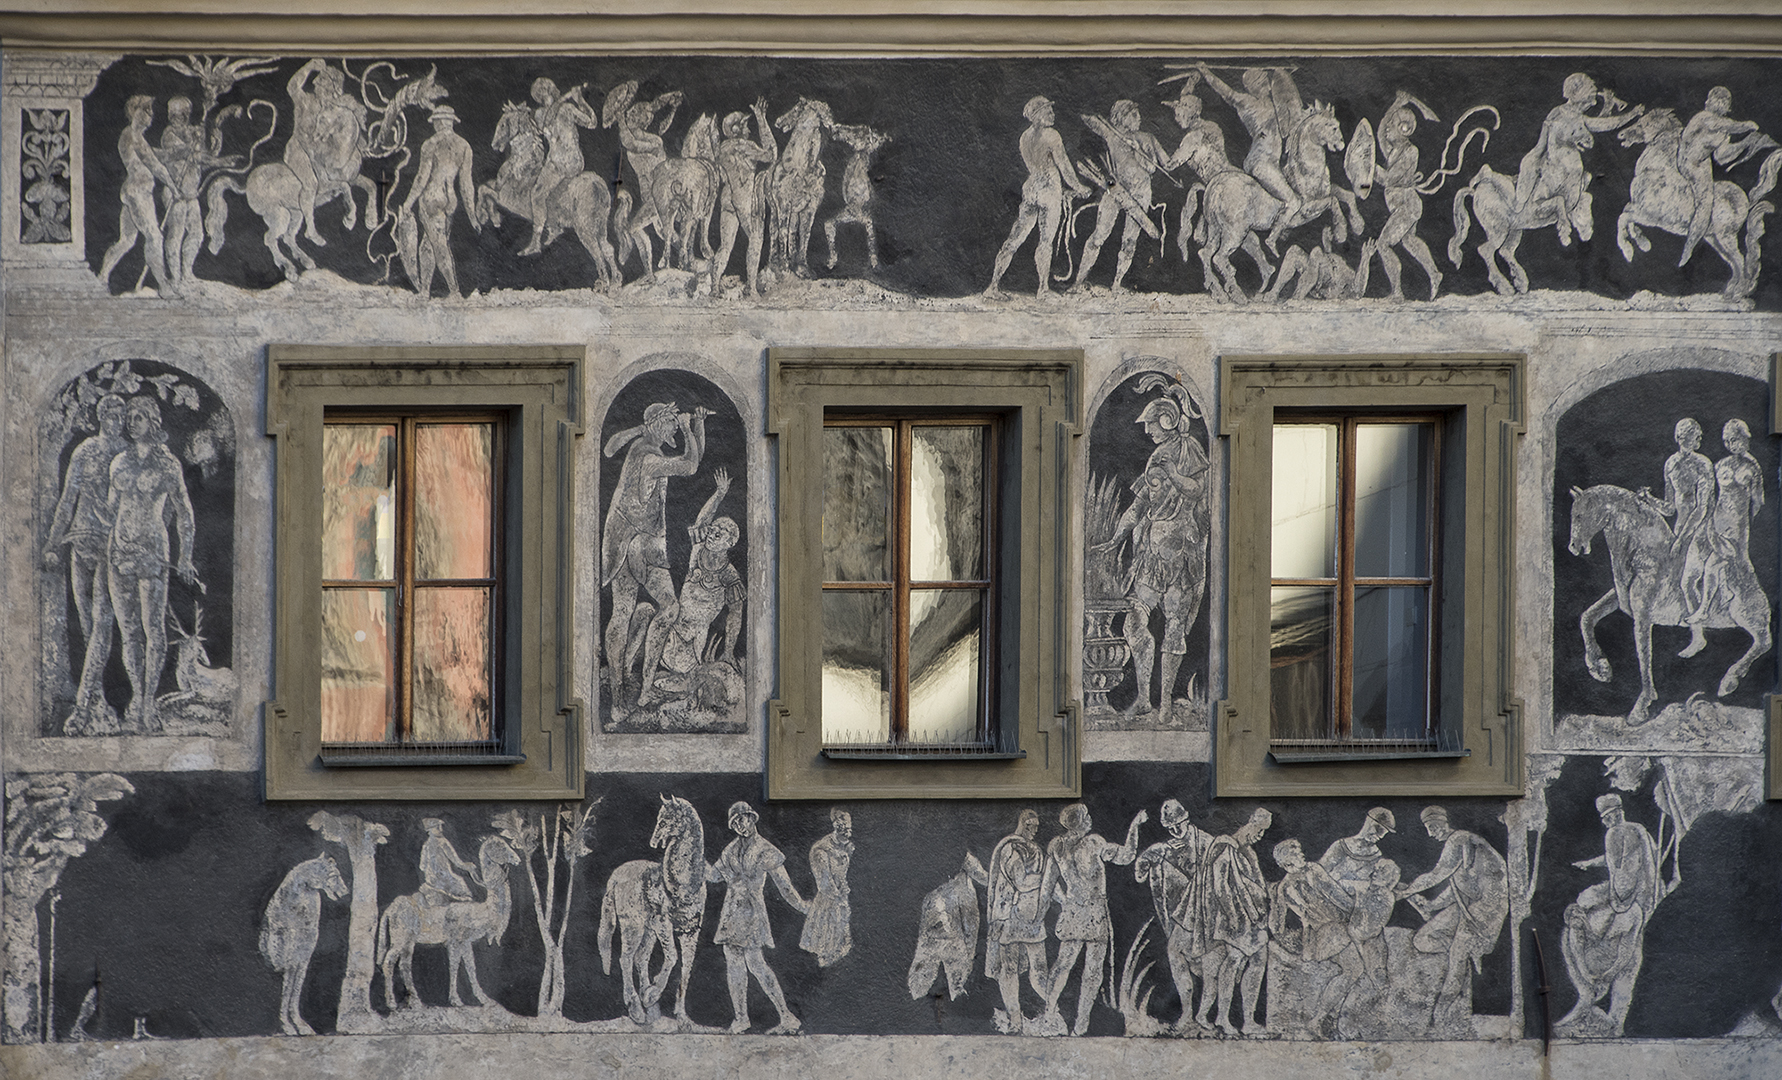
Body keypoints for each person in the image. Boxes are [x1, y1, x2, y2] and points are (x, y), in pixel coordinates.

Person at [1090, 384, 1210, 717]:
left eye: (1151, 424)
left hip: (1181, 554)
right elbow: (1140, 504)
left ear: (1167, 420)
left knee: (1174, 627)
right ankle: (1144, 698)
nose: (1147, 431)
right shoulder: (1156, 458)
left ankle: (1166, 705)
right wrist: (1116, 539)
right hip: (1151, 553)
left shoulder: (1187, 449)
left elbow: (1197, 489)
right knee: (1132, 623)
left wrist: (1173, 473)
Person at [602, 402, 707, 710]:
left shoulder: (644, 449)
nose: (676, 426)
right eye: (672, 421)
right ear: (659, 423)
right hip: (637, 544)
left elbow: (693, 457)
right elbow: (690, 465)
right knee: (650, 610)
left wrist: (698, 425)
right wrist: (687, 428)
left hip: (632, 542)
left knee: (636, 611)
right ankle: (630, 692)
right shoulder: (648, 457)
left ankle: (630, 692)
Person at [106, 396, 198, 731]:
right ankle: (137, 696)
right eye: (129, 417)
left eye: (139, 417)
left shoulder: (168, 464)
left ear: (153, 421)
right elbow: (111, 508)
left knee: (153, 627)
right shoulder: (118, 462)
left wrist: (185, 556)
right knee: (129, 630)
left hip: (152, 552)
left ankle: (149, 702)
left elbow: (184, 513)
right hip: (119, 551)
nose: (132, 422)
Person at [45, 394, 130, 732]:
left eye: (121, 416)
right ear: (101, 417)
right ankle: (99, 704)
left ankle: (81, 708)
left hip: (112, 548)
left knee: (101, 625)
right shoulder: (85, 451)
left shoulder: (127, 455)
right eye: (111, 415)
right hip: (80, 542)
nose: (116, 421)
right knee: (87, 627)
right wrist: (52, 543)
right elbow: (68, 498)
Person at [639, 468, 745, 708]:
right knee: (644, 611)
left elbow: (735, 615)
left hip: (689, 649)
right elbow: (702, 522)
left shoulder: (730, 576)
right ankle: (637, 679)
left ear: (730, 543)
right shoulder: (698, 552)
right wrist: (719, 495)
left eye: (721, 533)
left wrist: (728, 652)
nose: (714, 533)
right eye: (714, 529)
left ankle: (665, 688)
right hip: (669, 636)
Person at [1394, 806, 1509, 1023]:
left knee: (1457, 958)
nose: (1431, 833)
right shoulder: (1461, 850)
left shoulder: (1460, 839)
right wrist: (1432, 906)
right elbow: (1458, 886)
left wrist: (1405, 892)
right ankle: (1462, 951)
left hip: (1486, 907)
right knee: (1423, 939)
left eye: (1432, 827)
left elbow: (1437, 874)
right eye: (1428, 828)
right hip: (1468, 905)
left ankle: (1440, 1014)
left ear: (1443, 821)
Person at [1041, 803, 1148, 1036]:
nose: (1090, 818)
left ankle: (1049, 1014)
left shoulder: (1057, 847)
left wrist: (1063, 901)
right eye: (1086, 816)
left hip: (1073, 910)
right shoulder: (1094, 842)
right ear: (1079, 822)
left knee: (1063, 964)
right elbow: (1127, 856)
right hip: (1094, 913)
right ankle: (1080, 1024)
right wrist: (1135, 827)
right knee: (1091, 970)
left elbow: (1048, 886)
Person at [1557, 793, 1660, 1036]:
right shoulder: (1638, 830)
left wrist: (1619, 901)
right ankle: (1612, 1019)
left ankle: (1612, 1020)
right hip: (1637, 901)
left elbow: (1625, 871)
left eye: (1606, 817)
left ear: (1614, 814)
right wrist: (1591, 863)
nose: (1604, 822)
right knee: (1628, 963)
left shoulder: (1617, 832)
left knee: (1627, 961)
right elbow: (1620, 862)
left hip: (1629, 902)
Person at [708, 801, 808, 1034]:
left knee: (756, 964)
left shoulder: (765, 849)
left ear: (752, 818)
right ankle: (741, 1018)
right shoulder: (731, 849)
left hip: (752, 912)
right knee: (733, 963)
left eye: (742, 819)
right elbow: (714, 875)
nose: (739, 826)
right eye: (735, 823)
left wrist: (802, 906)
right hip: (731, 912)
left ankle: (786, 1016)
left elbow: (784, 886)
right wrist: (695, 863)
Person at [1512, 73, 1640, 246]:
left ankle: (1576, 218)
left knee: (1585, 182)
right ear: (1579, 93)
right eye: (1591, 89)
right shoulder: (1561, 114)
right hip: (1557, 170)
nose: (1594, 93)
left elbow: (1593, 125)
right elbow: (1595, 126)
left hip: (1572, 173)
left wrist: (1610, 106)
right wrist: (1631, 114)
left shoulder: (1575, 115)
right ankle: (1525, 208)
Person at [985, 95, 1091, 296]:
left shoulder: (1024, 137)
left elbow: (1034, 167)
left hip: (1032, 188)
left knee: (1014, 238)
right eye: (1048, 111)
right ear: (1037, 115)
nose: (1052, 114)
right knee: (1045, 241)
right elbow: (1064, 166)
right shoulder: (1052, 135)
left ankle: (993, 286)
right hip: (1049, 191)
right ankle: (1043, 289)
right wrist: (1079, 187)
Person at [1269, 838, 1363, 1039]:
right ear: (1287, 861)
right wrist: (1358, 912)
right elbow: (1337, 896)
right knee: (1354, 970)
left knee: (1351, 972)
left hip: (1314, 939)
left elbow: (1275, 926)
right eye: (1296, 852)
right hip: (1334, 930)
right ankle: (1320, 1019)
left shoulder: (1282, 888)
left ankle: (1328, 1022)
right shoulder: (1312, 870)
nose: (1302, 853)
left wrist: (1293, 942)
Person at [1132, 798, 1213, 1033]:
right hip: (1182, 916)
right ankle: (1188, 1014)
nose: (1175, 830)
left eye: (1178, 824)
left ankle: (1203, 1016)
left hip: (1205, 914)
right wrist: (1146, 860)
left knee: (1206, 965)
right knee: (1177, 954)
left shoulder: (1206, 842)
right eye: (1170, 827)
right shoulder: (1165, 848)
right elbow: (1140, 874)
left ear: (1186, 818)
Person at [1072, 99, 1169, 293]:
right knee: (1099, 234)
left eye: (1137, 114)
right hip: (1115, 187)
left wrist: (1138, 150)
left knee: (1130, 239)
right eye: (1133, 115)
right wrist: (1084, 109)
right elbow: (1092, 122)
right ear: (1120, 118)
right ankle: (1078, 281)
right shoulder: (1112, 134)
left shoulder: (1146, 138)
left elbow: (1152, 168)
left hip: (1141, 190)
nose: (1138, 118)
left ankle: (1117, 283)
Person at [1194, 64, 1302, 230]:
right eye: (1264, 82)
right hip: (1261, 162)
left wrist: (1283, 76)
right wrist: (1205, 71)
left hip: (1273, 163)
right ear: (1256, 86)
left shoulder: (1272, 103)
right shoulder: (1247, 103)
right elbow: (1227, 92)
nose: (1268, 85)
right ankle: (1274, 237)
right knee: (1293, 202)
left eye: (1267, 81)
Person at [1641, 418, 1716, 655]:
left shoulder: (1703, 464)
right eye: (1695, 435)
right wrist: (1649, 500)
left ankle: (1698, 636)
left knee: (1687, 581)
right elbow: (1670, 507)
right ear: (1682, 437)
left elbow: (1702, 508)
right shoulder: (1671, 464)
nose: (1699, 438)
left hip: (1702, 531)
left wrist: (1682, 538)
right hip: (1679, 531)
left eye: (1699, 435)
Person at [1686, 418, 1765, 641]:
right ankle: (1720, 597)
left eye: (1736, 439)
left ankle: (1704, 609)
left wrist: (1745, 523)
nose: (1732, 444)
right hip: (1716, 523)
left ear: (1745, 438)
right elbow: (1711, 497)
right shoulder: (1720, 465)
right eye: (1728, 441)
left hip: (1737, 528)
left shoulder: (1753, 467)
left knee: (1713, 564)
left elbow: (1758, 502)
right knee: (1700, 563)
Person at [1677, 86, 1773, 267]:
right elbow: (1719, 124)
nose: (1721, 103)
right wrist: (1746, 125)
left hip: (1703, 166)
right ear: (1709, 101)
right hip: (1687, 163)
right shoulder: (1703, 117)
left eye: (1725, 101)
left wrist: (1746, 142)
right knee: (1705, 202)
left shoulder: (1723, 130)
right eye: (1718, 99)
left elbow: (1722, 157)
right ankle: (1688, 248)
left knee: (1707, 203)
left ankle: (1693, 242)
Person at [1198, 808, 1273, 1037]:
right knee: (1234, 961)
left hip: (1254, 918)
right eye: (1259, 829)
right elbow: (1220, 885)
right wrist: (1232, 915)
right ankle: (1222, 1016)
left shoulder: (1249, 852)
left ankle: (1248, 1020)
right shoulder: (1225, 846)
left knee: (1258, 961)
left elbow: (1256, 884)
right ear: (1250, 821)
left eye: (1264, 832)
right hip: (1235, 916)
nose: (1260, 835)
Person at [398, 106, 481, 297]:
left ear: (440, 122)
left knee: (440, 246)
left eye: (435, 122)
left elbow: (422, 177)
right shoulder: (464, 146)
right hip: (450, 201)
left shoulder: (431, 144)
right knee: (428, 244)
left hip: (432, 198)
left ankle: (455, 291)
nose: (434, 125)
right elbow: (466, 185)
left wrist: (408, 202)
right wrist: (472, 215)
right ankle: (425, 291)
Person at [284, 59, 367, 247]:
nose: (315, 83)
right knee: (311, 184)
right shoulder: (306, 101)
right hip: (298, 149)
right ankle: (310, 229)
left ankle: (351, 208)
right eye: (317, 81)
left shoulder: (332, 110)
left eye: (321, 81)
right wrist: (308, 67)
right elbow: (292, 87)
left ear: (332, 87)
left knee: (340, 180)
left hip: (318, 154)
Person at [1369, 90, 1443, 300]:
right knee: (1409, 240)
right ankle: (1434, 274)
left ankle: (1397, 292)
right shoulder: (1392, 150)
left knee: (1383, 244)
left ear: (1404, 129)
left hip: (1407, 205)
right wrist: (1396, 104)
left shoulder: (1410, 151)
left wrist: (1370, 169)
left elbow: (1390, 179)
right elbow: (1380, 130)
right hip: (1401, 205)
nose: (1387, 129)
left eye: (1392, 125)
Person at [1317, 807, 1401, 990]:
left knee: (1376, 940)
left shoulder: (1376, 855)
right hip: (1334, 906)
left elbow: (1378, 884)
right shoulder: (1341, 846)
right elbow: (1319, 874)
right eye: (1379, 830)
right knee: (1354, 958)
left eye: (1384, 833)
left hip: (1357, 908)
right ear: (1369, 822)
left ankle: (1381, 983)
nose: (1380, 836)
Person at [97, 96, 174, 293]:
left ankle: (102, 278)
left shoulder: (134, 135)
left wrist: (176, 154)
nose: (151, 114)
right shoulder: (133, 135)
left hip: (134, 191)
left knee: (126, 241)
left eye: (150, 109)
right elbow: (152, 163)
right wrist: (173, 186)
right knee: (154, 236)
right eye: (146, 109)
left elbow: (153, 154)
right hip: (139, 193)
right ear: (134, 111)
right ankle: (163, 286)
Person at [985, 808, 1051, 1033]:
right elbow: (1021, 882)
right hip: (1010, 916)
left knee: (1040, 969)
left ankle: (1052, 1012)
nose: (1035, 831)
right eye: (1032, 826)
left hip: (1032, 917)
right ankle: (1015, 1020)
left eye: (1037, 827)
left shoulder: (1035, 849)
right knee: (1009, 969)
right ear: (1023, 824)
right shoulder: (1011, 848)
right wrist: (1046, 878)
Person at [518, 78, 599, 256]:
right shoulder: (541, 114)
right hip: (557, 160)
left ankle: (536, 241)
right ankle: (552, 228)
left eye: (544, 90)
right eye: (539, 93)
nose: (542, 94)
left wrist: (580, 101)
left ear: (551, 90)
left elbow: (592, 123)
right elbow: (540, 127)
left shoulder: (567, 109)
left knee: (537, 194)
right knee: (542, 193)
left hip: (566, 161)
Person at [714, 98, 778, 296]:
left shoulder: (722, 148)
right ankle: (751, 288)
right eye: (745, 125)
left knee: (725, 245)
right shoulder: (744, 146)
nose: (749, 129)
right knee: (756, 239)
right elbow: (771, 155)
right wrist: (761, 119)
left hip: (727, 196)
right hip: (744, 197)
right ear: (737, 129)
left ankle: (714, 287)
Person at [800, 809, 855, 967]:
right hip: (828, 904)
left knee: (844, 946)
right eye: (845, 826)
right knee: (828, 950)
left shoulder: (848, 847)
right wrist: (839, 899)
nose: (848, 831)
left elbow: (842, 874)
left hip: (841, 899)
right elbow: (825, 883)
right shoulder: (821, 850)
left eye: (849, 826)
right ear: (837, 825)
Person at [418, 818, 478, 904]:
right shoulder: (443, 842)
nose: (441, 830)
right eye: (437, 827)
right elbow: (456, 861)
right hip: (445, 880)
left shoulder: (426, 846)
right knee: (463, 889)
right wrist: (467, 866)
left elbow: (422, 867)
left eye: (440, 827)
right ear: (429, 830)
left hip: (431, 880)